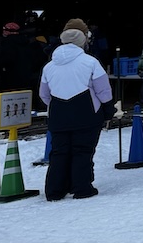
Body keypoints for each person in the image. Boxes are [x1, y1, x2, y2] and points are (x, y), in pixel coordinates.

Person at [40, 20, 113, 201]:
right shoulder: (91, 62)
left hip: (58, 115)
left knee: (58, 152)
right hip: (86, 113)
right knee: (83, 150)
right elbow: (103, 91)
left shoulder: (49, 66)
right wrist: (107, 109)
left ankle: (54, 190)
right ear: (83, 41)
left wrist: (57, 105)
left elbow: (44, 94)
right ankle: (81, 188)